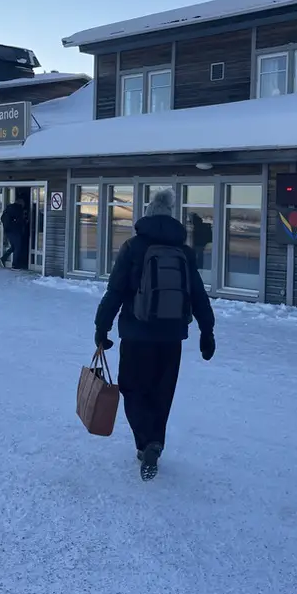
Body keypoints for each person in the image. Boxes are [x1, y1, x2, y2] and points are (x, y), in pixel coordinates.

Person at [94, 188, 215, 481]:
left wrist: (102, 327)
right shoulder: (184, 252)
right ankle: (156, 442)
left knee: (133, 389)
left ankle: (145, 441)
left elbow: (116, 290)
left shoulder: (134, 247)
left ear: (146, 215)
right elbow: (197, 294)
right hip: (172, 336)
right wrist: (207, 330)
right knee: (162, 392)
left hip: (136, 334)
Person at [0, 197, 28, 269]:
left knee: (13, 247)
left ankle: (3, 258)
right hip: (15, 231)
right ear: (21, 202)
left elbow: (2, 218)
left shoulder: (8, 208)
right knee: (17, 247)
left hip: (8, 231)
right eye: (23, 203)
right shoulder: (18, 208)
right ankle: (15, 265)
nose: (24, 205)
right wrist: (25, 221)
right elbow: (20, 220)